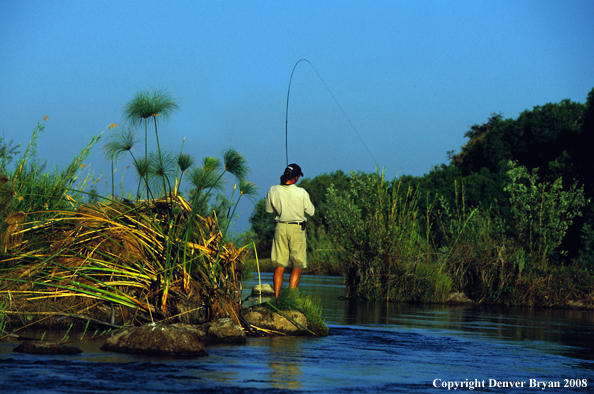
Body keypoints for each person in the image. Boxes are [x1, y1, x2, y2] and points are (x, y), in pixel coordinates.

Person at [266, 163, 315, 298]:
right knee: (297, 265)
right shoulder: (301, 192)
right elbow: (311, 212)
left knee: (279, 265)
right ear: (296, 177)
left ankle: (277, 298)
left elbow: (269, 210)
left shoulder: (272, 190)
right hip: (297, 229)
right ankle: (291, 298)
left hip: (280, 228)